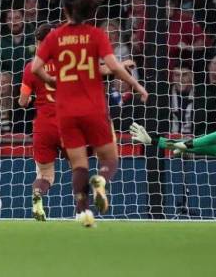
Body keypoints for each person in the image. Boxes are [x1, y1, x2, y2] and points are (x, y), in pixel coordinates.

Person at [31, 0, 148, 227]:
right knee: (109, 160)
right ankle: (101, 181)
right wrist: (136, 85)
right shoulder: (96, 35)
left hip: (66, 111)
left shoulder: (55, 37)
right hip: (94, 109)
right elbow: (113, 67)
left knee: (78, 165)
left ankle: (83, 213)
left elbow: (35, 68)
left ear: (65, 10)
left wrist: (52, 81)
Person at [19, 23, 136, 221]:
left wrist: (30, 98)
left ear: (38, 43)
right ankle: (81, 211)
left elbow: (22, 102)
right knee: (79, 168)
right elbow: (101, 70)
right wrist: (121, 65)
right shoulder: (69, 63)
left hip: (44, 127)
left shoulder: (31, 68)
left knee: (45, 175)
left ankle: (38, 195)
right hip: (69, 124)